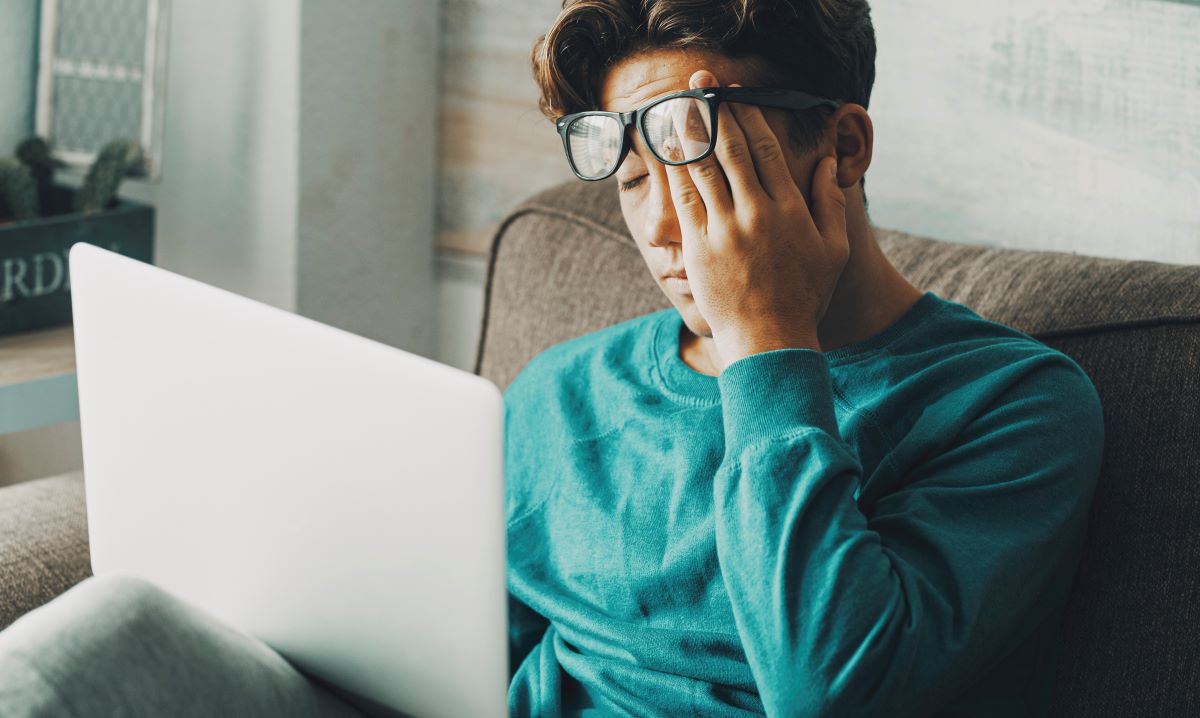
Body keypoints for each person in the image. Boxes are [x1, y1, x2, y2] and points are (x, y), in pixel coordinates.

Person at [0, 0, 1104, 716]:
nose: (666, 228)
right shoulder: (569, 392)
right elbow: (438, 650)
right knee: (113, 635)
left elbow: (834, 690)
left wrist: (768, 342)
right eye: (631, 179)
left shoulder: (1013, 403)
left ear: (843, 148)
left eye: (697, 156)